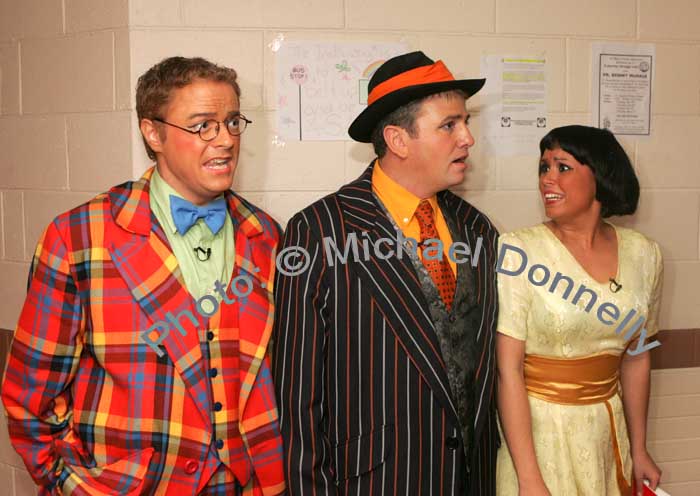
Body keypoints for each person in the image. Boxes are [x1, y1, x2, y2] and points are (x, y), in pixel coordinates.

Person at [1, 57, 285, 495]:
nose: (226, 140)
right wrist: (67, 483)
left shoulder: (266, 235)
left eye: (232, 122)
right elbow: (29, 394)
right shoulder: (78, 237)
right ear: (153, 133)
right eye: (203, 125)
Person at [272, 51, 500, 495]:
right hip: (378, 481)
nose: (468, 138)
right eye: (449, 125)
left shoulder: (478, 230)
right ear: (398, 140)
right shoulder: (320, 230)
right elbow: (297, 399)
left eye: (466, 121)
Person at [496, 125, 663, 496]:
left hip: (607, 433)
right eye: (544, 167)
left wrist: (639, 449)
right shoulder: (519, 250)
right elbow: (508, 371)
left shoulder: (644, 254)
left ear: (600, 176)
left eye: (563, 167)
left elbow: (636, 359)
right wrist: (528, 479)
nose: (547, 180)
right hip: (539, 439)